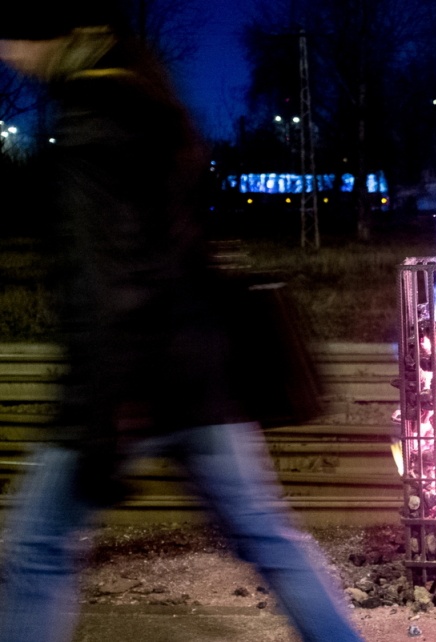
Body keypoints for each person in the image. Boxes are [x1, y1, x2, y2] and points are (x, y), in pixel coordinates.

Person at [0, 5, 365, 641]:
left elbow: (102, 283)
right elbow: (182, 253)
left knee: (34, 550)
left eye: (16, 38)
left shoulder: (88, 122)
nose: (9, 54)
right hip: (203, 376)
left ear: (65, 36)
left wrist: (99, 419)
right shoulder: (153, 103)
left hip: (129, 385)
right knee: (265, 535)